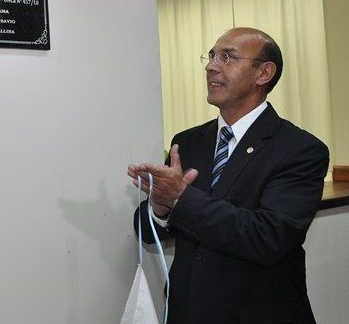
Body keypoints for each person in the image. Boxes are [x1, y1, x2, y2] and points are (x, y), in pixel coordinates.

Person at [127, 27, 328, 323]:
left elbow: (268, 238)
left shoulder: (300, 149)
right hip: (187, 311)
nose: (211, 66)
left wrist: (181, 197)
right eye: (211, 56)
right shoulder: (187, 141)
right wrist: (159, 205)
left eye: (227, 57)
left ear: (264, 73)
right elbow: (148, 233)